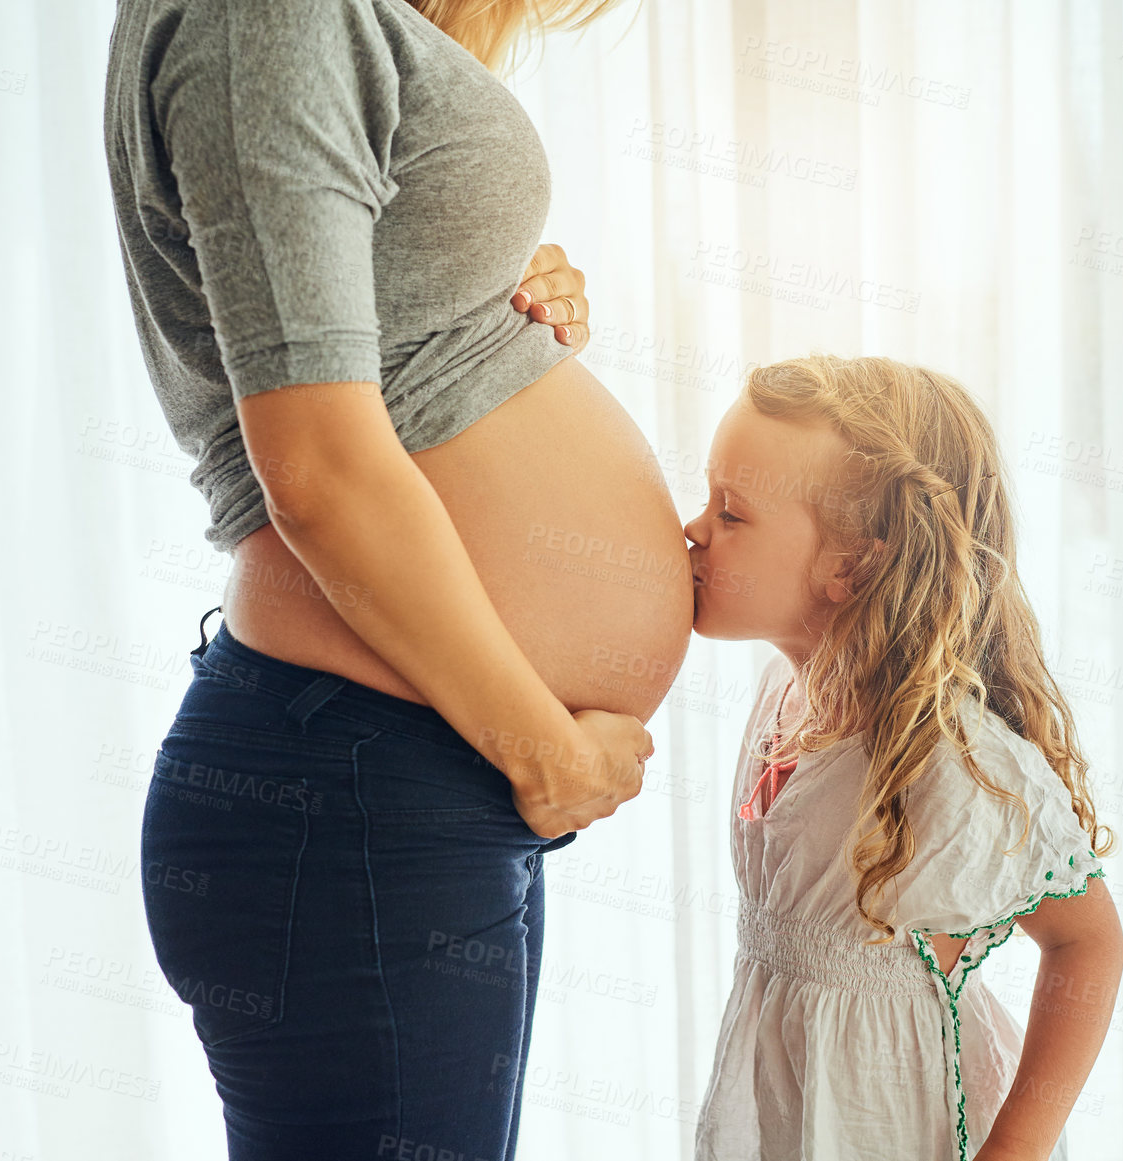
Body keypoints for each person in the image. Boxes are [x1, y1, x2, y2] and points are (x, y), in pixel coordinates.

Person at [100, 0, 688, 1158]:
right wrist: (546, 751)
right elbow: (316, 471)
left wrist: (493, 303)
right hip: (363, 781)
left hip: (403, 773)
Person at [683, 354, 1123, 1161]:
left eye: (731, 512)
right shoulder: (776, 700)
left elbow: (1088, 941)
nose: (693, 528)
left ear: (850, 564)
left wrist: (1015, 1150)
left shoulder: (946, 760)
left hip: (897, 1121)